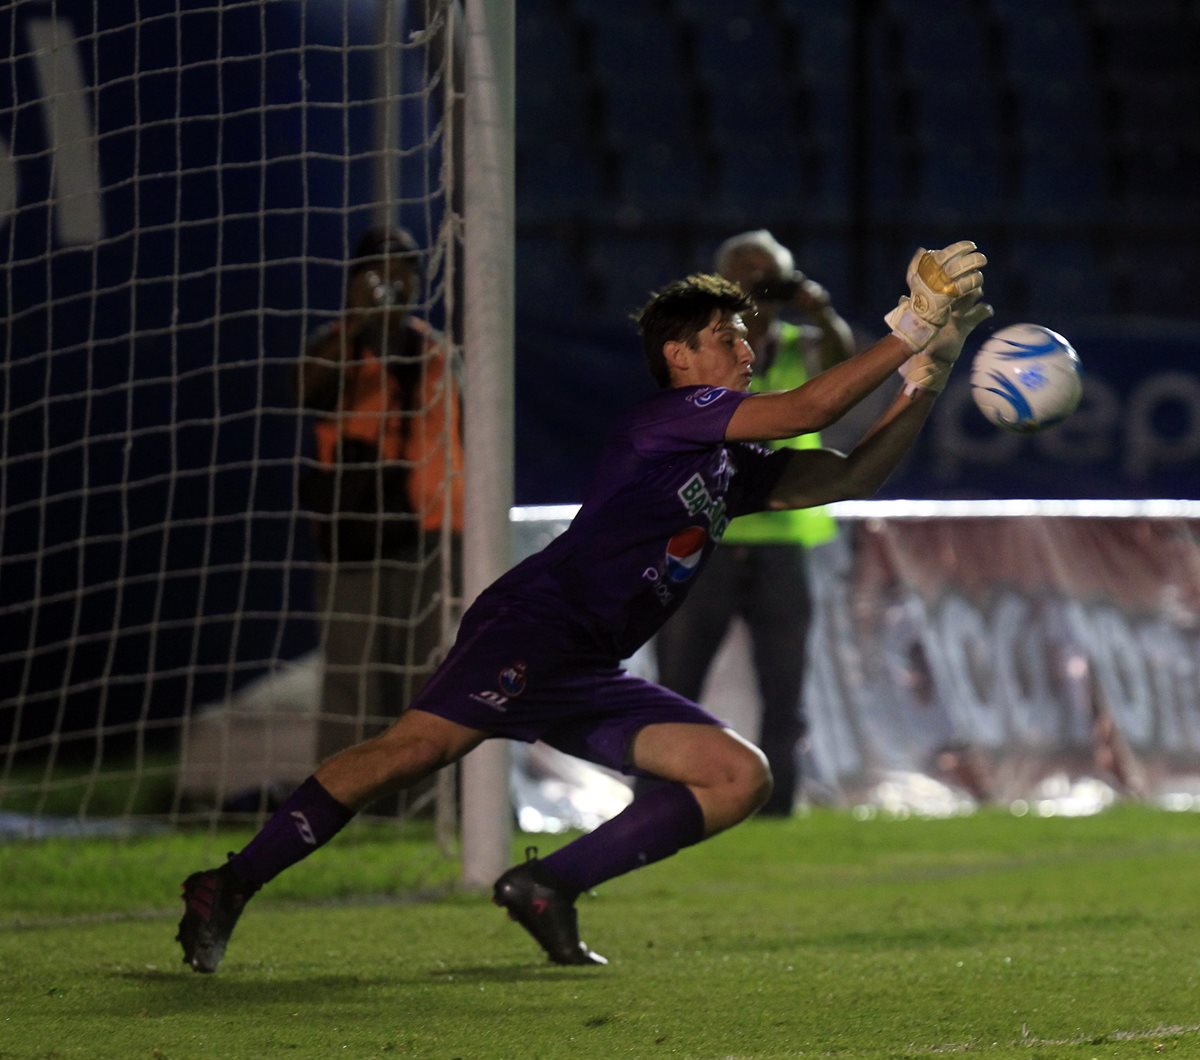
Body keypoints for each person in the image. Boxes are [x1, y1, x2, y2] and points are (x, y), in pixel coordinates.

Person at [178, 242, 991, 971]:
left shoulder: (729, 461)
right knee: (409, 753)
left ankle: (545, 885)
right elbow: (811, 410)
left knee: (736, 777)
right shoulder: (672, 417)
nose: (748, 349)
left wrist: (928, 377)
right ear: (679, 356)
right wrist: (912, 325)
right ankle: (231, 882)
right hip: (536, 625)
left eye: (748, 336)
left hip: (589, 663)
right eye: (727, 338)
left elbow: (848, 476)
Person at [653, 229, 855, 815]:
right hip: (703, 537)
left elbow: (843, 367)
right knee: (677, 682)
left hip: (781, 536)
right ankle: (658, 799)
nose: (753, 280)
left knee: (784, 687)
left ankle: (776, 805)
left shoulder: (799, 342)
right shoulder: (696, 351)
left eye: (766, 270)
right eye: (741, 268)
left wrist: (823, 311)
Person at [297, 225, 464, 774]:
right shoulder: (338, 346)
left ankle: (417, 801)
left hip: (435, 530)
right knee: (354, 673)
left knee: (425, 673)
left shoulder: (436, 351)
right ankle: (339, 797)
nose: (393, 283)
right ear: (354, 282)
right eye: (378, 273)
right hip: (359, 530)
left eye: (404, 272)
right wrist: (361, 323)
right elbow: (304, 392)